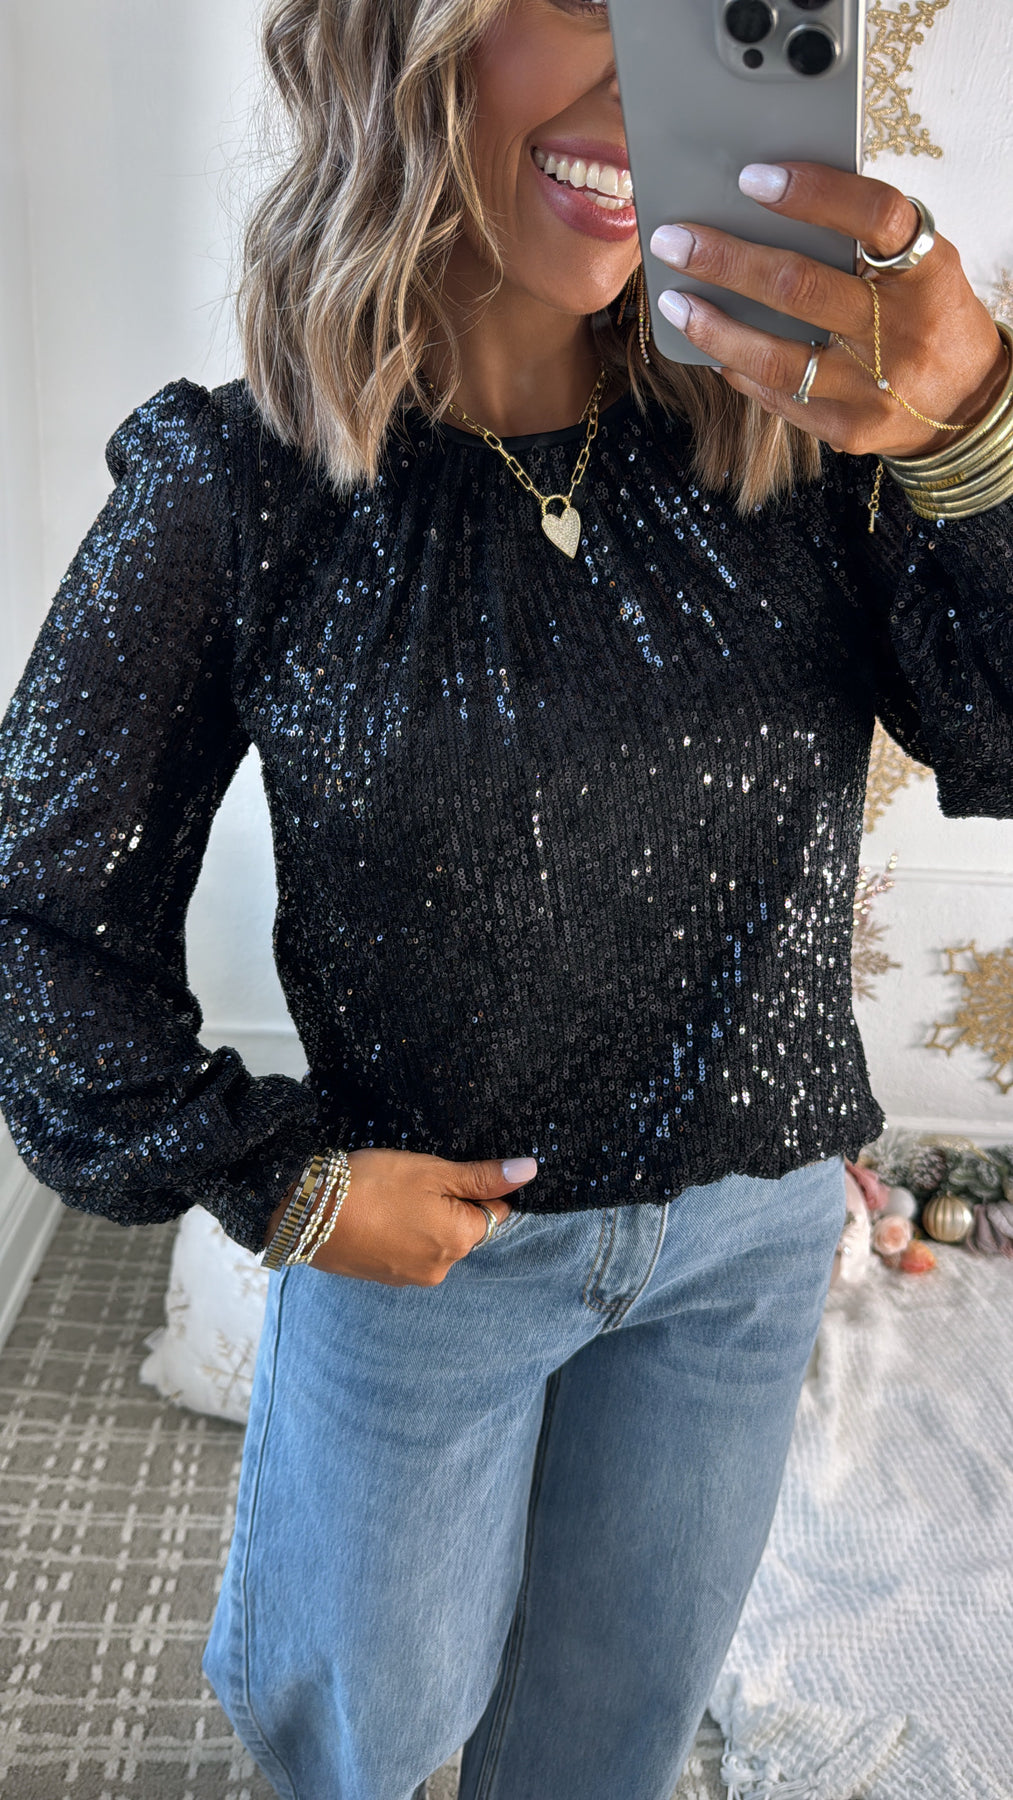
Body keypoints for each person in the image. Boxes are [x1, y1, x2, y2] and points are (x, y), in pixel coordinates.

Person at [0, 1, 1010, 1796]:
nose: (639, 63)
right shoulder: (235, 488)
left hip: (745, 1248)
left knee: (607, 1741)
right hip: (424, 1253)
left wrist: (976, 430)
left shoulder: (811, 448)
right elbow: (37, 903)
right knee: (357, 1726)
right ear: (402, 39)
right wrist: (275, 1179)